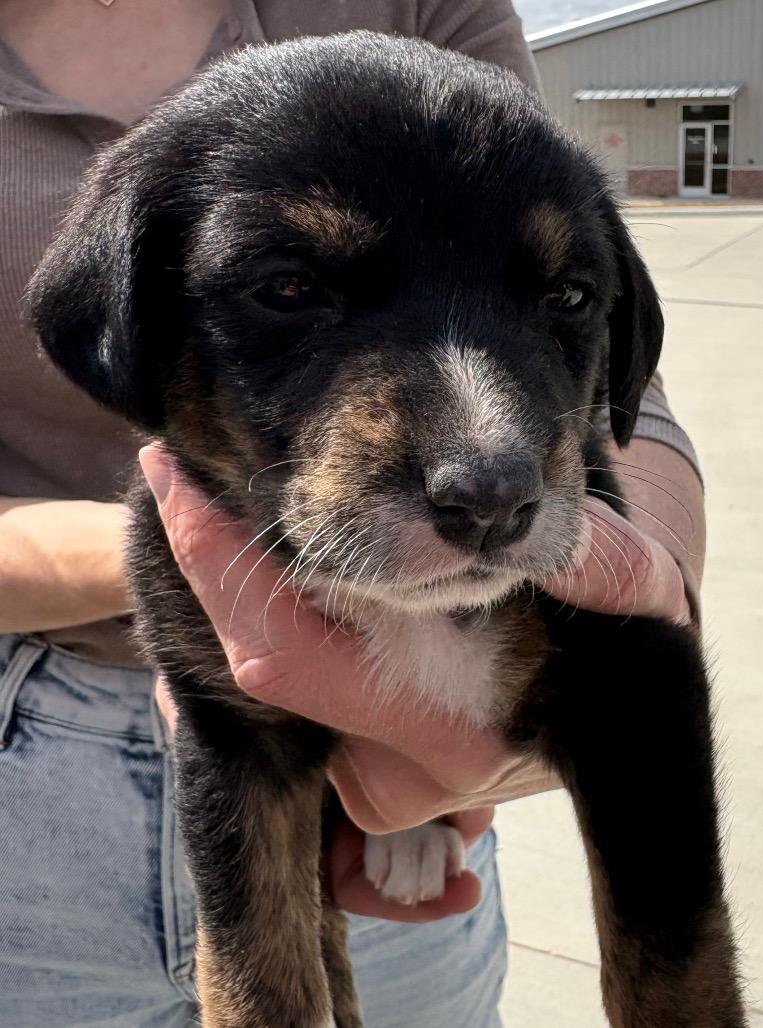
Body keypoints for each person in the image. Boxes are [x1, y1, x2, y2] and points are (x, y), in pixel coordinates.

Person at [0, 2, 706, 1025]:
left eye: (549, 303)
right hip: (35, 786)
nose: (486, 451)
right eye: (289, 287)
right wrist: (207, 572)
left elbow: (617, 382)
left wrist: (640, 590)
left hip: (420, 798)